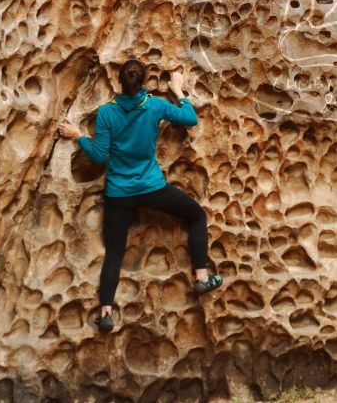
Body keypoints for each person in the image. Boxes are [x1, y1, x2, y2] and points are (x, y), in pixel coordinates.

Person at [58, 59, 222, 332]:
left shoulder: (107, 113)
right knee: (196, 216)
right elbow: (190, 118)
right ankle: (202, 277)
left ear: (119, 81)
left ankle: (107, 313)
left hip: (119, 194)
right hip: (152, 188)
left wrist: (78, 135)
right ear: (145, 81)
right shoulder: (153, 105)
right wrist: (178, 90)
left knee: (114, 252)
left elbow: (99, 155)